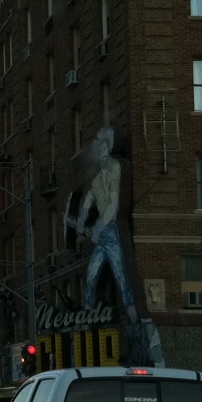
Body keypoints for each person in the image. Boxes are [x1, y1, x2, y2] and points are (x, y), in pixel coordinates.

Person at [80, 127, 138, 326]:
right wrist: (81, 220)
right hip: (101, 237)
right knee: (91, 275)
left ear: (109, 148)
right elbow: (88, 200)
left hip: (112, 232)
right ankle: (87, 313)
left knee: (121, 274)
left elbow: (114, 204)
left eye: (105, 148)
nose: (103, 152)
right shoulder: (97, 179)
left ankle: (134, 316)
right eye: (100, 149)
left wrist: (99, 226)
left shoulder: (116, 169)